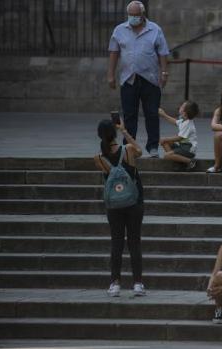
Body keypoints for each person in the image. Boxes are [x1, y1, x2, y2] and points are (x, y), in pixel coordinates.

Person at [107, 1, 170, 158]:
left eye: (136, 15)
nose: (133, 18)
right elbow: (114, 52)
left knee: (152, 114)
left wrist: (164, 73)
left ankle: (153, 146)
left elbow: (163, 52)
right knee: (129, 115)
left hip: (150, 79)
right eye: (131, 15)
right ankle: (129, 145)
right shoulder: (120, 30)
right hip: (128, 78)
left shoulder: (155, 29)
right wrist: (110, 75)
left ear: (142, 14)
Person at [93, 118, 145, 297]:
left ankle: (115, 284)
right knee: (134, 242)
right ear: (114, 133)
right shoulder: (128, 150)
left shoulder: (98, 158)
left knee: (116, 242)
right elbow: (140, 151)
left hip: (114, 205)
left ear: (99, 136)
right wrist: (125, 131)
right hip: (134, 202)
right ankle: (138, 284)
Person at [158, 101, 199, 171]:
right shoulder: (183, 120)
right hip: (183, 147)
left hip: (188, 149)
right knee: (165, 143)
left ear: (185, 113)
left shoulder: (188, 124)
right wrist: (164, 115)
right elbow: (175, 122)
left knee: (166, 155)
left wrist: (165, 139)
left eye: (182, 106)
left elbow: (179, 138)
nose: (180, 107)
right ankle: (178, 163)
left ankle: (190, 162)